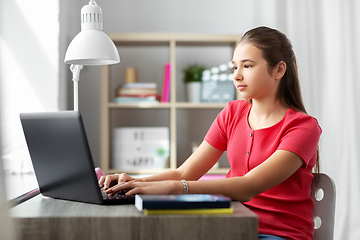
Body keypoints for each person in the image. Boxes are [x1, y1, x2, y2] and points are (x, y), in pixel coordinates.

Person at [99, 26, 321, 240]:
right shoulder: (232, 113)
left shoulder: (303, 128)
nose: (237, 76)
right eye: (235, 67)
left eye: (248, 66)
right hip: (229, 227)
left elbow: (247, 187)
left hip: (278, 234)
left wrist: (176, 188)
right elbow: (184, 172)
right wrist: (134, 183)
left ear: (279, 70)